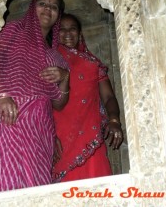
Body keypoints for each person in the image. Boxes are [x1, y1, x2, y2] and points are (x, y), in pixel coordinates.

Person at [0, 0, 70, 195]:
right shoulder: (13, 30)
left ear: (58, 15)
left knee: (33, 183)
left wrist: (65, 78)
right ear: (33, 7)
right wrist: (3, 95)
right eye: (43, 3)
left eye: (54, 7)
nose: (48, 9)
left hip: (39, 126)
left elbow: (58, 104)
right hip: (8, 112)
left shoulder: (56, 57)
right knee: (2, 173)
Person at [52, 13, 123, 183]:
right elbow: (42, 104)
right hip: (60, 139)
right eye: (62, 29)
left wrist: (114, 120)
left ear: (80, 33)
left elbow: (108, 97)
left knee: (97, 186)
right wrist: (49, 136)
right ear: (55, 34)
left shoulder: (93, 64)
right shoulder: (49, 61)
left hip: (90, 139)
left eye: (73, 29)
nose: (67, 33)